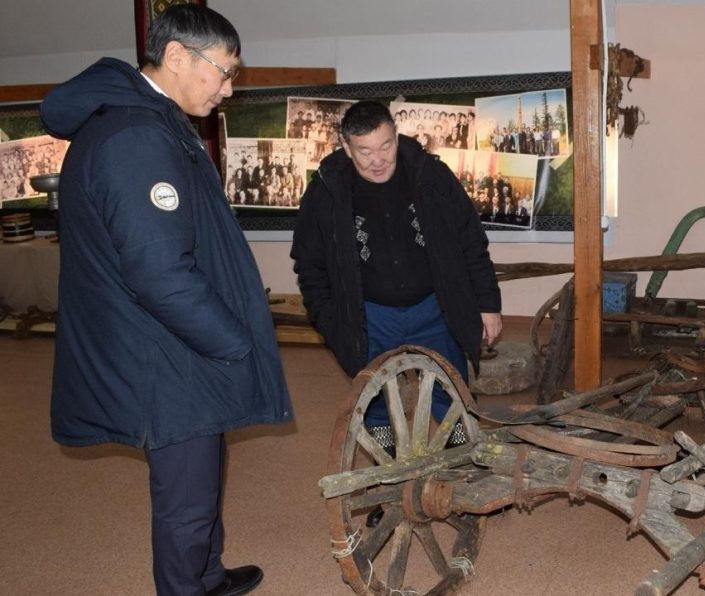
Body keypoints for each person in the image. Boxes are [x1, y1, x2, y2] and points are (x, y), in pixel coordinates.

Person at [40, 5, 292, 595]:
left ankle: (207, 575)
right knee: (185, 499)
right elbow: (159, 274)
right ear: (177, 56)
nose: (229, 88)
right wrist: (234, 342)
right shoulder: (136, 137)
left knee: (202, 479)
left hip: (176, 342)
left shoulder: (153, 122)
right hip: (165, 350)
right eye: (224, 71)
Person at [291, 101, 502, 523]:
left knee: (452, 394)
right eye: (365, 151)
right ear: (346, 148)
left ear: (396, 135)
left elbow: (471, 241)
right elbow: (309, 265)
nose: (378, 159)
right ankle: (391, 485)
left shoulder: (430, 175)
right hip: (370, 316)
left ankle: (463, 477)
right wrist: (331, 322)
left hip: (434, 308)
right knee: (374, 405)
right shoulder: (327, 189)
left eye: (385, 145)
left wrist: (487, 304)